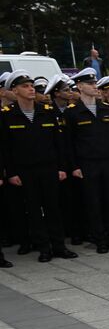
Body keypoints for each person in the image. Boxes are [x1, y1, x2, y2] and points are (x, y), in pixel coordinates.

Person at [0, 73, 78, 262]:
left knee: (54, 208)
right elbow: (5, 149)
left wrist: (61, 167)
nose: (31, 89)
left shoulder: (47, 111)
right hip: (25, 170)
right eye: (25, 86)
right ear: (14, 90)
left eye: (31, 85)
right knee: (34, 210)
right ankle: (43, 247)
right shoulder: (7, 115)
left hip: (49, 168)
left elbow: (58, 143)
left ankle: (59, 246)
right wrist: (11, 173)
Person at [64, 71, 109, 253]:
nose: (94, 86)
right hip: (87, 164)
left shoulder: (106, 109)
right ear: (79, 87)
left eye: (94, 83)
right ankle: (99, 239)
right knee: (93, 203)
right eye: (89, 84)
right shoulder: (72, 113)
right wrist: (74, 166)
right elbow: (69, 143)